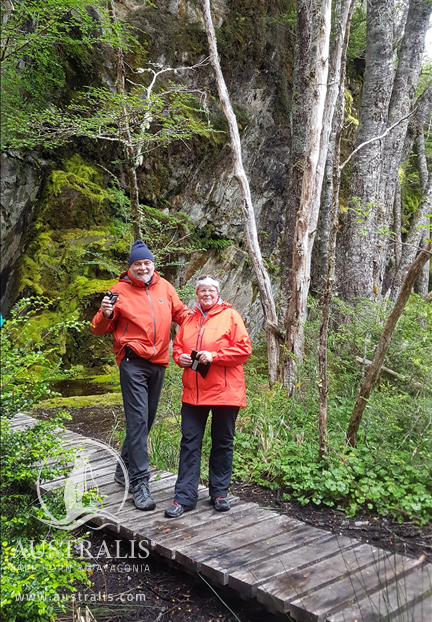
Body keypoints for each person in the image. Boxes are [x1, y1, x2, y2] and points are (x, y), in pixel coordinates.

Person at [90, 240, 190, 511]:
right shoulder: (118, 291)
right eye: (137, 264)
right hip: (132, 362)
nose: (143, 267)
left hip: (159, 362)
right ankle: (139, 483)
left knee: (146, 421)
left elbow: (181, 314)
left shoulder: (165, 287)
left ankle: (122, 470)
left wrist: (205, 318)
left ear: (152, 265)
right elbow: (97, 328)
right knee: (137, 422)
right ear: (130, 267)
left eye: (147, 263)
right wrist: (106, 313)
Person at [165, 275, 252, 518]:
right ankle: (184, 497)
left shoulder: (230, 316)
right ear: (197, 294)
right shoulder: (189, 319)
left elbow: (244, 349)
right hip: (194, 393)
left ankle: (219, 493)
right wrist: (180, 358)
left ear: (218, 293)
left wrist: (214, 356)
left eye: (211, 290)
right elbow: (178, 347)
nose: (207, 294)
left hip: (225, 391)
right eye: (202, 290)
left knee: (222, 442)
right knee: (189, 443)